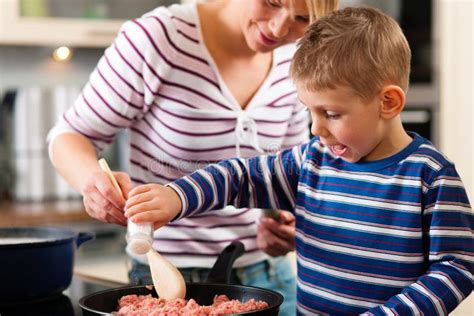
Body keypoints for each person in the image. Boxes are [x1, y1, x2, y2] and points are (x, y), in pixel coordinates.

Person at [123, 6, 474, 315]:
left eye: (332, 114)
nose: (316, 128)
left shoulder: (430, 176)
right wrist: (178, 197)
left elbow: (456, 268)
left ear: (389, 102)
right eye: (310, 112)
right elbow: (239, 176)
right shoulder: (311, 163)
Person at [48, 0, 339, 314]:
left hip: (267, 279)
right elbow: (70, 135)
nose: (279, 28)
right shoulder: (159, 38)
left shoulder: (298, 57)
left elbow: (283, 173)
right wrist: (92, 182)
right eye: (271, 3)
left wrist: (279, 223)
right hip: (163, 279)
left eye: (301, 18)